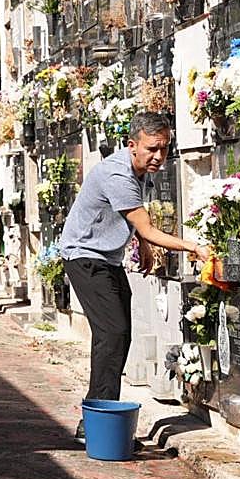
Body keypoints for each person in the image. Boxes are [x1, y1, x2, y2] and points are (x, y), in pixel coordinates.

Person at [59, 112, 210, 443]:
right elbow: (148, 226)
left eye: (165, 149)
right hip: (84, 256)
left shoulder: (141, 171)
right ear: (132, 145)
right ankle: (95, 418)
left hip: (107, 257)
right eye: (152, 149)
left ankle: (102, 414)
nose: (159, 156)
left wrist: (139, 242)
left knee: (120, 335)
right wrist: (193, 247)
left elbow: (137, 220)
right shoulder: (119, 174)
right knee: (110, 334)